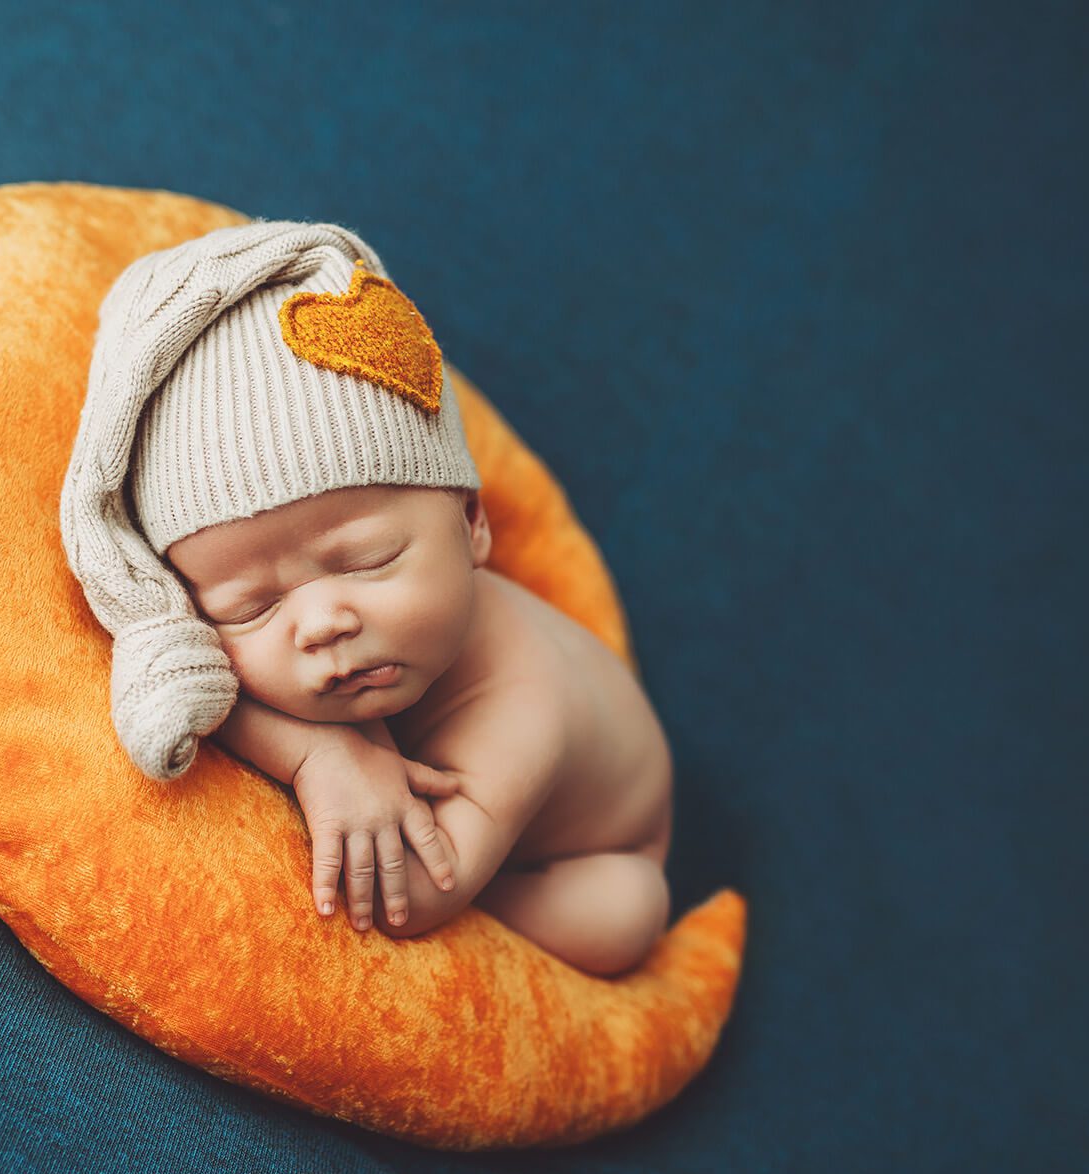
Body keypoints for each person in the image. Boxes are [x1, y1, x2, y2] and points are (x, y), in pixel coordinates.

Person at [60, 220, 672, 976]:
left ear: (473, 524)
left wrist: (329, 753)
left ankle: (502, 907)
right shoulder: (356, 636)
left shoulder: (520, 701)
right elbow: (195, 683)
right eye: (248, 607)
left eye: (366, 561)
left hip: (593, 846)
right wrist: (319, 748)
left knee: (622, 911)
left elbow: (408, 892)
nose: (320, 623)